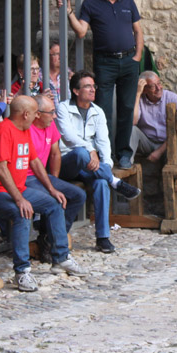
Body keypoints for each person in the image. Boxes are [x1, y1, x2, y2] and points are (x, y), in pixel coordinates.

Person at [0, 96, 81, 292]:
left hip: (16, 188)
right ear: (25, 114)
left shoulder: (24, 130)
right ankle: (22, 271)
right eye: (35, 113)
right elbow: (0, 169)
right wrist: (19, 199)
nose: (37, 116)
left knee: (54, 204)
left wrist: (51, 189)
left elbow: (35, 162)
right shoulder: (3, 131)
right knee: (21, 211)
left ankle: (61, 258)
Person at [64, 0, 144, 169]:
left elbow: (138, 30)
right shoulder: (91, 4)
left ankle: (124, 153)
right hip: (105, 63)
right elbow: (81, 32)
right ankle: (105, 154)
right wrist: (69, 12)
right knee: (102, 109)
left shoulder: (128, 2)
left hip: (129, 61)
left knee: (126, 107)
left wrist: (137, 57)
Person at [55, 70, 141, 253]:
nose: (93, 89)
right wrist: (90, 149)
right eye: (87, 86)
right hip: (67, 162)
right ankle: (115, 182)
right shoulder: (63, 108)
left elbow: (104, 141)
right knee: (80, 152)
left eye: (93, 86)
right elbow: (68, 137)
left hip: (90, 167)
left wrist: (107, 165)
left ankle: (103, 238)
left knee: (101, 183)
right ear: (76, 91)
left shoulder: (97, 111)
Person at [28, 94, 87, 262]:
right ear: (37, 114)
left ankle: (49, 239)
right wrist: (51, 188)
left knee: (78, 195)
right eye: (51, 112)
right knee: (52, 199)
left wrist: (54, 181)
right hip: (28, 177)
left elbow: (55, 154)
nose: (55, 116)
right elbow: (33, 163)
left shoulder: (50, 125)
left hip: (43, 176)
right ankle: (54, 245)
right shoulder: (28, 129)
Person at [129, 71, 177, 164]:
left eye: (159, 83)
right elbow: (133, 122)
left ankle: (173, 174)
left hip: (168, 142)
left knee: (176, 155)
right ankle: (128, 165)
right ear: (144, 90)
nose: (158, 88)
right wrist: (137, 94)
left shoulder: (172, 98)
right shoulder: (140, 98)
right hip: (147, 142)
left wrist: (159, 152)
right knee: (132, 130)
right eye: (153, 86)